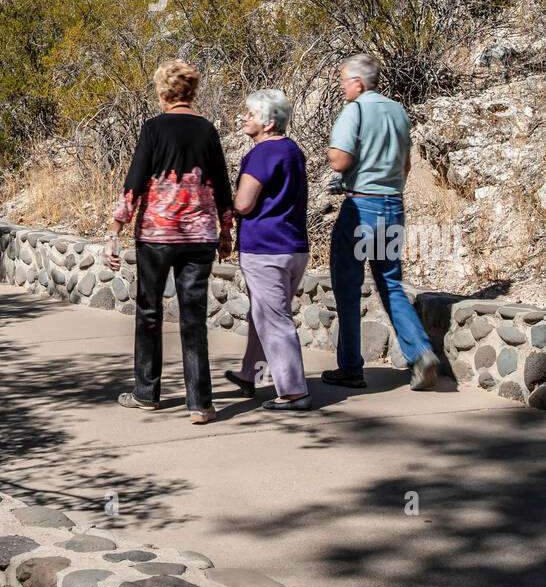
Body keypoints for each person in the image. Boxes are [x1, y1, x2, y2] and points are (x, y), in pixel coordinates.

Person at [105, 60, 233, 425]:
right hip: (199, 236)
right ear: (191, 92)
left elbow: (135, 182)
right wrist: (226, 231)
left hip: (157, 235)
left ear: (163, 94)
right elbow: (221, 186)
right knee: (194, 318)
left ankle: (146, 393)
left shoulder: (154, 129)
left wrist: (115, 230)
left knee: (149, 312)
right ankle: (200, 403)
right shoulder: (207, 130)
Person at [324, 53, 440, 391]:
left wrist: (335, 156)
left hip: (361, 207)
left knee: (347, 286)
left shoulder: (356, 110)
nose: (341, 85)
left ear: (358, 83)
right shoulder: (398, 111)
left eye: (344, 80)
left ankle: (350, 367)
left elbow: (339, 160)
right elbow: (405, 165)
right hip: (393, 205)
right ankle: (421, 353)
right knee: (390, 282)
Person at [225, 89, 312, 412]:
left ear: (270, 122)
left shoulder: (262, 154)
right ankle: (251, 374)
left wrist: (228, 208)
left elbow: (244, 204)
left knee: (274, 320)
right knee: (263, 314)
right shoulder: (292, 150)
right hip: (293, 246)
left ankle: (293, 391)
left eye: (251, 114)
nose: (245, 118)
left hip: (264, 248)